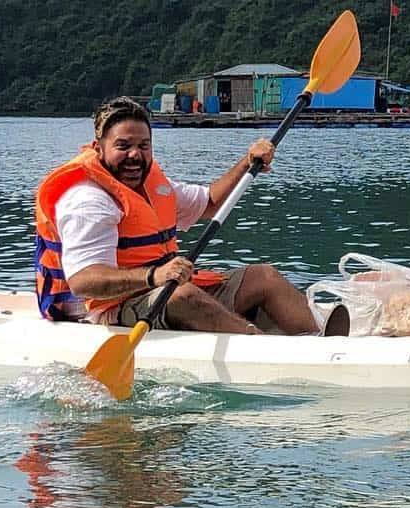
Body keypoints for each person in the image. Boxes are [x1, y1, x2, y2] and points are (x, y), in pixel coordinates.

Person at [35, 96, 346, 335]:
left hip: (166, 288)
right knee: (183, 295)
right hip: (113, 308)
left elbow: (209, 202)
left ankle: (321, 342)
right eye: (123, 145)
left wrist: (248, 163)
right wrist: (154, 276)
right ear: (98, 148)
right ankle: (258, 346)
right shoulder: (88, 201)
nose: (135, 155)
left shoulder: (153, 185)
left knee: (263, 277)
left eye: (143, 145)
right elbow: (83, 281)